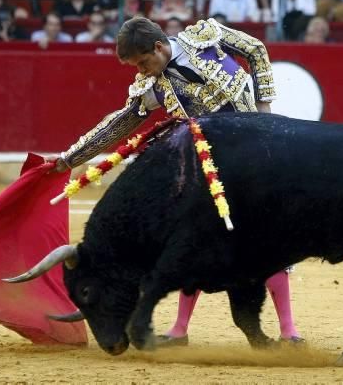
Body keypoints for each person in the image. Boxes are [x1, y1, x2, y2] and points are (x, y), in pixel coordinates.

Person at [51, 17, 301, 346]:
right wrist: (69, 159)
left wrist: (264, 112)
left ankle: (289, 330)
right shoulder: (152, 87)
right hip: (211, 166)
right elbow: (118, 126)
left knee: (267, 240)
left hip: (255, 159)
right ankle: (180, 329)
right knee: (194, 242)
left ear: (158, 46)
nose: (142, 72)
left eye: (143, 63)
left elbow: (255, 49)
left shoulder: (206, 37)